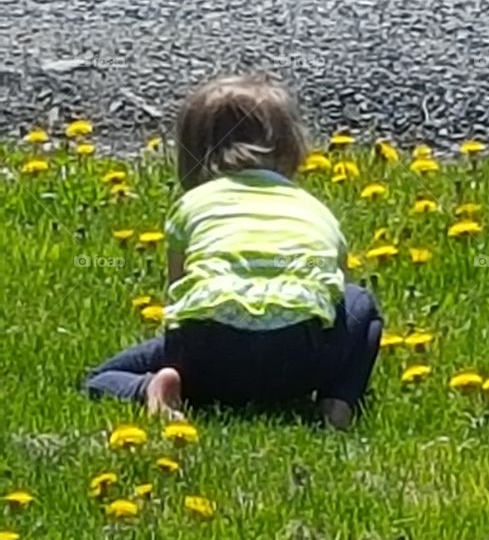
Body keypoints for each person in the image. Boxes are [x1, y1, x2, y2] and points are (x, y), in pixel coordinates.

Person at [84, 73, 382, 429]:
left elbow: (176, 298)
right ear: (293, 151)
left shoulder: (192, 205)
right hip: (300, 362)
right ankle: (338, 404)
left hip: (207, 358)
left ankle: (151, 388)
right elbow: (338, 301)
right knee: (360, 301)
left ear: (190, 153)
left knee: (101, 377)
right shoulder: (313, 208)